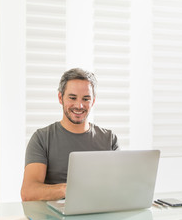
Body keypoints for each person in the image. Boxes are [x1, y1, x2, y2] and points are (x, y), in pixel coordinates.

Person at [21, 68, 119, 201]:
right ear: (60, 98)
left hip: (100, 214)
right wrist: (68, 189)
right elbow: (28, 192)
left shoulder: (109, 139)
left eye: (86, 99)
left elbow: (119, 186)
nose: (79, 105)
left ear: (93, 101)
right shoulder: (42, 138)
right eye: (72, 98)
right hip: (55, 218)